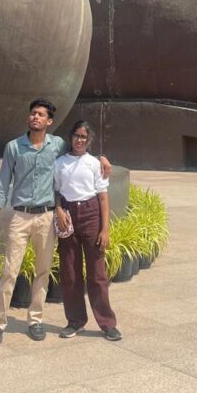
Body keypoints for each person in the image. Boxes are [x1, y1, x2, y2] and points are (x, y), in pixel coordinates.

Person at [0, 99, 110, 345]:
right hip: (20, 216)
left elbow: (80, 151)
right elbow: (2, 185)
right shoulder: (14, 147)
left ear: (49, 121)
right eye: (33, 113)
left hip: (45, 216)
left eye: (41, 114)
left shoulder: (57, 145)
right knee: (10, 270)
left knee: (42, 271)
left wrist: (102, 159)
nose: (35, 117)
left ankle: (35, 319)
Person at [54, 121, 121, 341]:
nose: (79, 140)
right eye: (76, 136)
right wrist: (59, 211)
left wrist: (105, 229)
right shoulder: (60, 163)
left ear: (89, 140)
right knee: (70, 272)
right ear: (70, 137)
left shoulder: (94, 164)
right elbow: (55, 190)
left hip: (91, 214)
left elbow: (103, 197)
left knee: (97, 273)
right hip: (68, 215)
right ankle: (75, 321)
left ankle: (107, 323)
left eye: (84, 137)